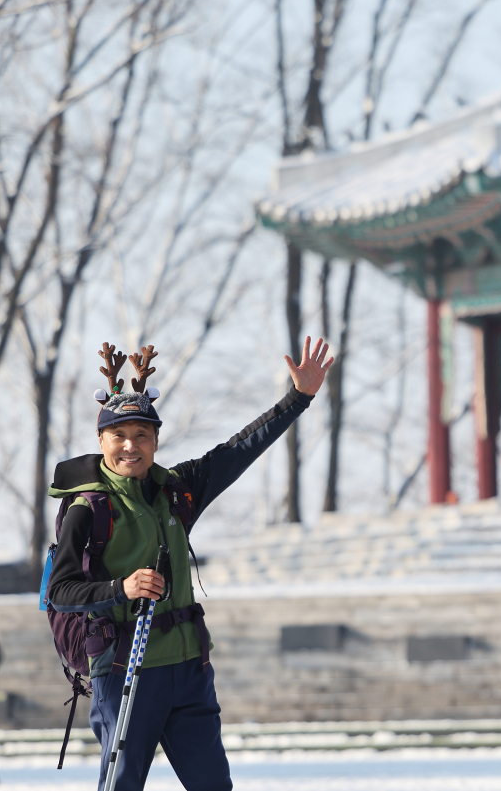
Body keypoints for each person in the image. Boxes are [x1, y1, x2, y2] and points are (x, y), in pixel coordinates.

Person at [47, 338, 333, 791]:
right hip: (126, 669)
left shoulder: (176, 490)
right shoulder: (87, 507)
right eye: (118, 436)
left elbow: (237, 450)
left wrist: (298, 399)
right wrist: (122, 588)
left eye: (142, 435)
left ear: (156, 440)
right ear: (101, 440)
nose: (130, 446)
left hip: (188, 668)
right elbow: (59, 593)